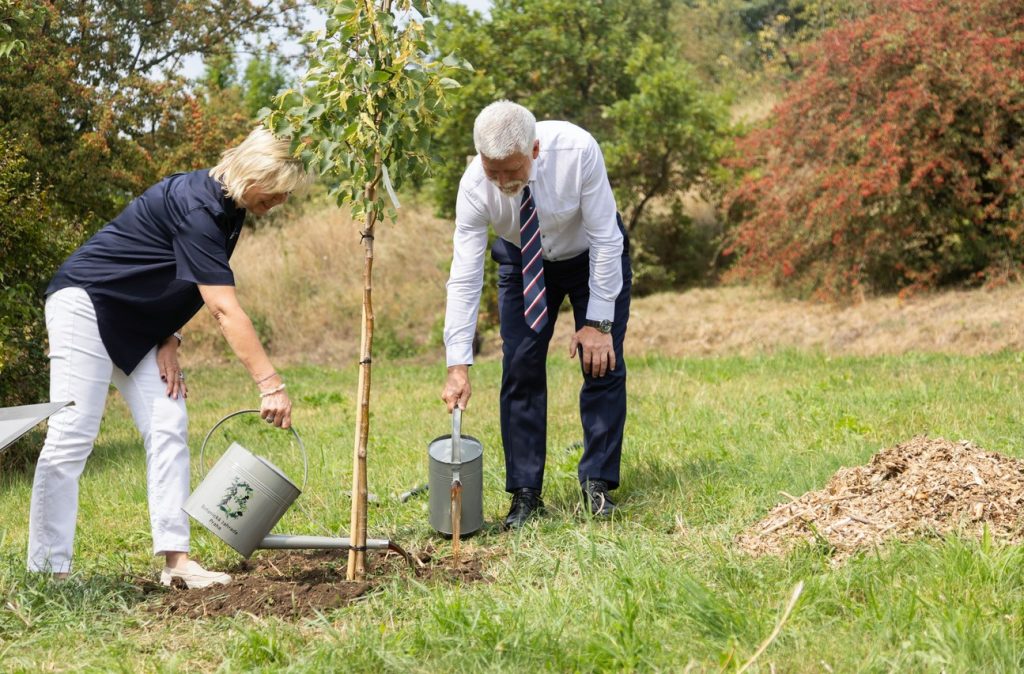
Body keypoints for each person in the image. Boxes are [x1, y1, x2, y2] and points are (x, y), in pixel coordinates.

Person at [28, 127, 310, 587]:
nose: (280, 199)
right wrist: (270, 384)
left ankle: (176, 563)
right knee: (71, 437)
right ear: (251, 173)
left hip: (140, 326)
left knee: (167, 422)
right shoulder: (200, 207)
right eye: (275, 187)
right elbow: (222, 307)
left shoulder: (227, 208)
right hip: (87, 304)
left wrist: (171, 336)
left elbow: (176, 274)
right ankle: (49, 571)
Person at [441, 100, 632, 530]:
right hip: (522, 260)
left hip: (591, 256)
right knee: (521, 368)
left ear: (535, 150)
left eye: (513, 170)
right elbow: (465, 276)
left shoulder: (578, 151)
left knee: (601, 363)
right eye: (494, 171)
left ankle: (596, 487)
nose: (504, 182)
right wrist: (458, 363)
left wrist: (598, 324)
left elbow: (605, 235)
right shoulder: (474, 187)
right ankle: (525, 494)